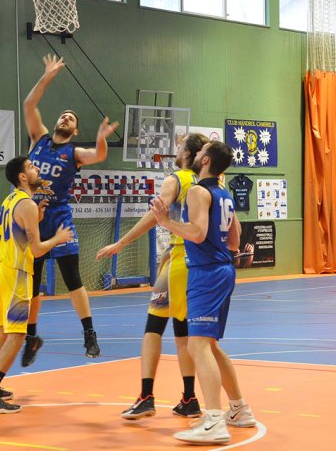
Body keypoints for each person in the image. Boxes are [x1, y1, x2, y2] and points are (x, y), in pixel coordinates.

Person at [97, 133, 208, 420]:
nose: (176, 148)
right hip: (196, 262)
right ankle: (189, 398)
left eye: (180, 146)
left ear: (187, 154)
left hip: (177, 260)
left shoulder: (178, 178)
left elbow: (153, 218)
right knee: (183, 334)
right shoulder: (206, 183)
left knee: (153, 329)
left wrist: (120, 243)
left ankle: (146, 396)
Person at [151, 141, 256, 445]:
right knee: (208, 345)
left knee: (197, 347)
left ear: (206, 160)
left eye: (199, 152)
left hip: (207, 274)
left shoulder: (198, 191)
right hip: (222, 270)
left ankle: (213, 420)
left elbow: (196, 233)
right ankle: (238, 409)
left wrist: (166, 222)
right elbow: (235, 239)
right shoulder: (223, 194)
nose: (195, 154)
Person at [21, 53, 119, 365]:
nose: (66, 118)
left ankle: (89, 333)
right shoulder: (38, 138)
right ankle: (32, 336)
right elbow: (28, 105)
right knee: (32, 286)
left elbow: (98, 156)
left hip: (59, 219)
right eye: (64, 115)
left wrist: (102, 140)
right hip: (32, 220)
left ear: (75, 131)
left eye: (72, 119)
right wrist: (48, 75)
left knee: (72, 277)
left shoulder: (73, 152)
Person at [0, 155, 74, 413]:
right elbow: (38, 249)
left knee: (3, 331)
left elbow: (18, 230)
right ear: (22, 176)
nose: (36, 169)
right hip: (15, 272)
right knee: (18, 335)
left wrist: (37, 220)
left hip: (0, 268)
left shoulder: (11, 200)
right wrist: (59, 237)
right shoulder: (27, 204)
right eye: (31, 167)